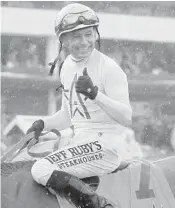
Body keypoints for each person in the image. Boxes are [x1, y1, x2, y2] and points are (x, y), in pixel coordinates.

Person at [28, 3, 132, 208]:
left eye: (89, 34)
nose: (84, 42)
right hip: (79, 141)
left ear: (96, 34)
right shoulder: (67, 66)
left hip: (105, 147)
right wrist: (43, 123)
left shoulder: (109, 68)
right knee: (25, 158)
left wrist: (96, 95)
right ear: (63, 40)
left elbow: (127, 118)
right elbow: (68, 116)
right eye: (76, 36)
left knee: (40, 169)